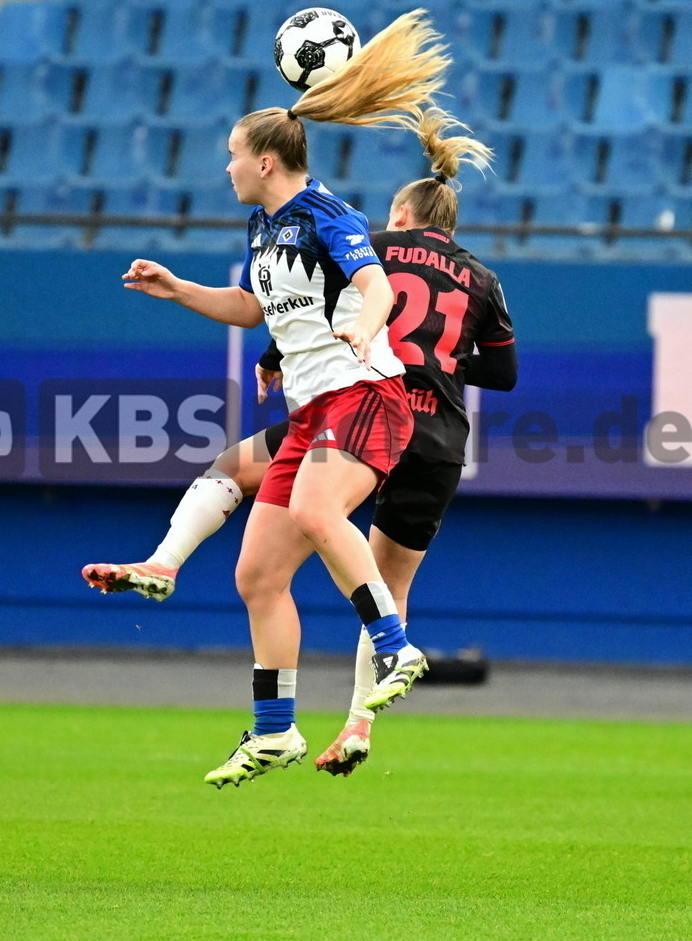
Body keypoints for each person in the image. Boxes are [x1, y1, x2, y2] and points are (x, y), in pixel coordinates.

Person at [84, 99, 518, 778]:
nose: (226, 166)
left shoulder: (329, 216)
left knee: (318, 512)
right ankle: (274, 731)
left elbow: (377, 290)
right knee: (256, 575)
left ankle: (395, 646)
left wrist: (365, 326)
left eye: (232, 154)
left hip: (367, 393)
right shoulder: (265, 228)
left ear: (264, 160)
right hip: (315, 407)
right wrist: (178, 290)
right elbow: (251, 308)